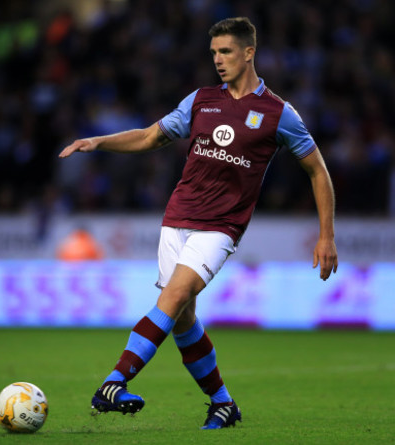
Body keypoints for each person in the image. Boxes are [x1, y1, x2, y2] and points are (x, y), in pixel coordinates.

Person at [59, 17, 338, 429]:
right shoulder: (201, 100)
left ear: (249, 53)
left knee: (172, 299)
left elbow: (318, 171)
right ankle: (223, 405)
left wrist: (326, 235)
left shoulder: (278, 113)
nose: (218, 61)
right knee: (184, 318)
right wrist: (100, 142)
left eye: (226, 52)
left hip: (220, 227)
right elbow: (151, 135)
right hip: (176, 218)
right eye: (213, 53)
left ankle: (113, 383)